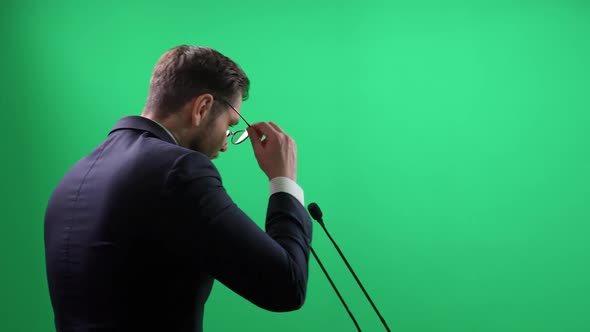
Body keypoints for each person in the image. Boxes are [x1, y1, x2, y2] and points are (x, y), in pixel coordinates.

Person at [44, 45, 313, 332]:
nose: (224, 144)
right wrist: (284, 181)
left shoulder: (73, 177)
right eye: (229, 126)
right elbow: (285, 286)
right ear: (202, 108)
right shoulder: (179, 171)